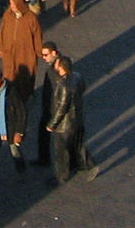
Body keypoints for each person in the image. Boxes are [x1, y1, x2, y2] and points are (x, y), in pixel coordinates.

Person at [46, 55, 97, 184]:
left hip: (65, 125)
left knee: (61, 151)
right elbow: (83, 88)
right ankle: (89, 165)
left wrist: (52, 124)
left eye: (57, 64)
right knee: (78, 145)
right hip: (77, 119)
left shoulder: (63, 85)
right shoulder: (77, 76)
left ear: (62, 67)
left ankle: (61, 176)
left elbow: (62, 108)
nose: (55, 66)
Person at [0, 0, 43, 86]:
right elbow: (2, 30)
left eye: (12, 4)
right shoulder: (8, 15)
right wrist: (0, 47)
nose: (11, 6)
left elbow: (37, 35)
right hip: (9, 51)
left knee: (25, 75)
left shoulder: (31, 18)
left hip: (25, 52)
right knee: (9, 73)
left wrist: (38, 51)